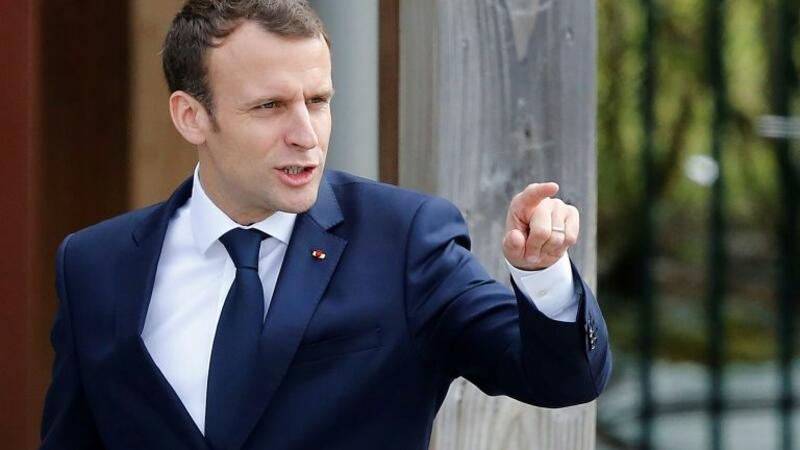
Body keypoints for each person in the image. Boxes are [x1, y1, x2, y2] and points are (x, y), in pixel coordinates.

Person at [40, 1, 611, 449]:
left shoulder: (405, 239)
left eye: (317, 100)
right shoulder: (94, 265)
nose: (305, 134)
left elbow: (562, 379)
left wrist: (543, 276)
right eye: (269, 107)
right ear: (192, 116)